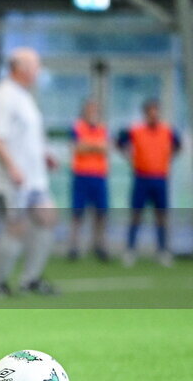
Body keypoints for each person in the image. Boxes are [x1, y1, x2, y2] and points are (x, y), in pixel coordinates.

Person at [0, 47, 59, 297]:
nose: (38, 71)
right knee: (17, 227)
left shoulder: (24, 95)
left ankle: (31, 279)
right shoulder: (4, 94)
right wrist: (13, 167)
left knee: (47, 217)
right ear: (21, 68)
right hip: (12, 180)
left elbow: (25, 136)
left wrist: (43, 156)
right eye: (35, 66)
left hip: (34, 179)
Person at [117, 98, 182, 267]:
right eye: (150, 111)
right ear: (145, 113)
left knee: (161, 216)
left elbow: (178, 145)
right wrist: (128, 156)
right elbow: (119, 141)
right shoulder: (135, 130)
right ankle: (130, 249)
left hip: (160, 178)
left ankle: (162, 250)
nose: (153, 115)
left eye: (156, 111)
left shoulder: (167, 130)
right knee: (136, 214)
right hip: (141, 178)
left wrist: (167, 157)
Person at [67, 99, 109, 261]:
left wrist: (88, 146)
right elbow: (76, 147)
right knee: (77, 213)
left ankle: (100, 246)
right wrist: (94, 146)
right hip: (81, 175)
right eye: (90, 109)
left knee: (101, 213)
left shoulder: (102, 128)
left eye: (95, 110)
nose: (93, 113)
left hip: (99, 176)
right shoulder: (77, 127)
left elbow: (106, 148)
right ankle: (74, 247)